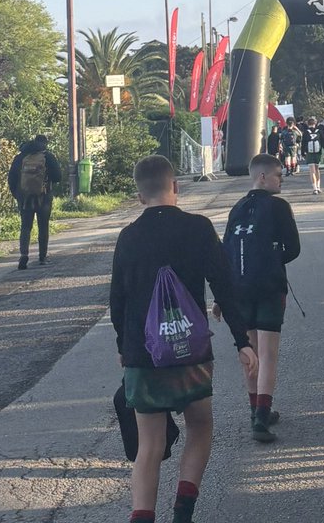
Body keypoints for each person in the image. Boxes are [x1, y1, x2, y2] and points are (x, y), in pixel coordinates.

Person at [109, 155, 257, 523]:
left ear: (140, 196)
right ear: (175, 187)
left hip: (145, 355)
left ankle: (142, 516)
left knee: (150, 445)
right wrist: (243, 341)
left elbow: (118, 301)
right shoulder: (198, 228)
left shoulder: (128, 237)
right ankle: (183, 510)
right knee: (201, 425)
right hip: (190, 349)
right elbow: (224, 286)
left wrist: (123, 349)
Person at [218, 153, 301, 442]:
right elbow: (294, 248)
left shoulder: (237, 208)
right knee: (268, 355)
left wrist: (221, 296)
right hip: (269, 287)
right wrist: (275, 258)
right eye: (279, 176)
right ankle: (262, 418)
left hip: (239, 289)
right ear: (263, 176)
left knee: (250, 353)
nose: (282, 181)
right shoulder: (279, 207)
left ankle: (255, 409)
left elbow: (225, 252)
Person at [7, 134, 62, 270]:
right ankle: (42, 257)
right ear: (44, 144)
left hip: (24, 198)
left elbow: (11, 179)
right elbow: (58, 177)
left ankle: (24, 254)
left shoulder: (19, 158)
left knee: (25, 226)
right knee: (43, 226)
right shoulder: (47, 157)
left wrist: (18, 195)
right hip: (44, 197)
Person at [301, 116, 324, 194]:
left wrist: (302, 153)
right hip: (318, 153)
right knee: (317, 169)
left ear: (308, 124)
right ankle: (318, 186)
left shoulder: (306, 132)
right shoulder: (319, 131)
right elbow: (323, 142)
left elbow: (303, 143)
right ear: (315, 123)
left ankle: (314, 189)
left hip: (309, 153)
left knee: (312, 170)